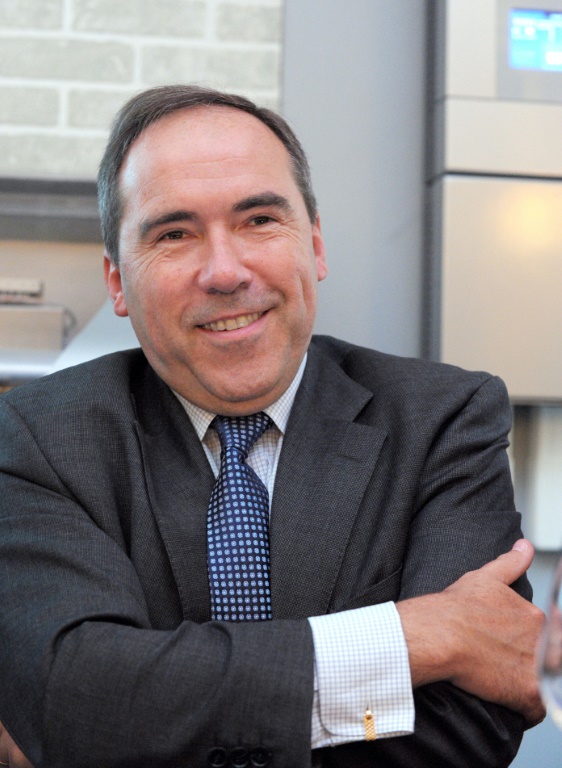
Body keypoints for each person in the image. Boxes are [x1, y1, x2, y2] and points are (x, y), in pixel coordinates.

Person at [0, 85, 545, 768]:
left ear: (313, 245)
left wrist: (141, 721)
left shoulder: (443, 420)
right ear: (117, 281)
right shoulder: (33, 439)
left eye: (259, 219)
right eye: (174, 233)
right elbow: (70, 698)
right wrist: (408, 640)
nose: (225, 271)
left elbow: (466, 730)